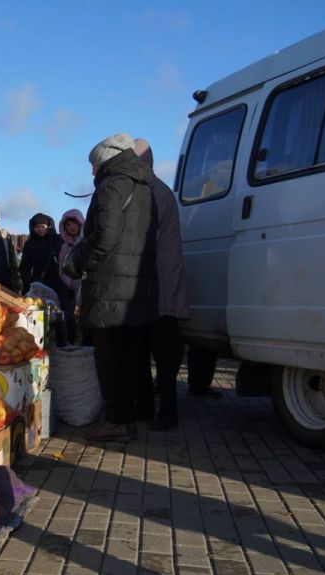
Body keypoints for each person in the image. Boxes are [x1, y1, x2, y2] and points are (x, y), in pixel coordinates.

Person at [69, 133, 158, 443]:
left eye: (94, 165)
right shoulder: (145, 186)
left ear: (106, 159)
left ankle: (116, 421)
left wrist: (79, 260)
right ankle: (130, 415)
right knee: (132, 356)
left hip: (110, 288)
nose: (92, 172)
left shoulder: (112, 185)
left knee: (109, 358)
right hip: (137, 286)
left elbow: (105, 237)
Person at [132, 138, 189, 431]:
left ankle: (164, 413)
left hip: (158, 291)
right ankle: (158, 411)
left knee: (159, 360)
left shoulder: (150, 192)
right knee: (162, 359)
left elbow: (141, 238)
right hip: (163, 289)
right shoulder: (160, 189)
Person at [57, 209, 86, 343]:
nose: (72, 227)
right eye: (68, 225)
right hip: (73, 292)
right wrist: (72, 283)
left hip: (90, 289)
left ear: (80, 223)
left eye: (74, 223)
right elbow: (62, 270)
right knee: (74, 322)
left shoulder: (88, 242)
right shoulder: (65, 247)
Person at [19, 212, 63, 297]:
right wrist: (29, 283)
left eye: (43, 226)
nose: (40, 229)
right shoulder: (30, 244)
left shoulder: (57, 240)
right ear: (33, 228)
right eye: (37, 227)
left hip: (57, 283)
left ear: (48, 226)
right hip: (38, 283)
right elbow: (24, 266)